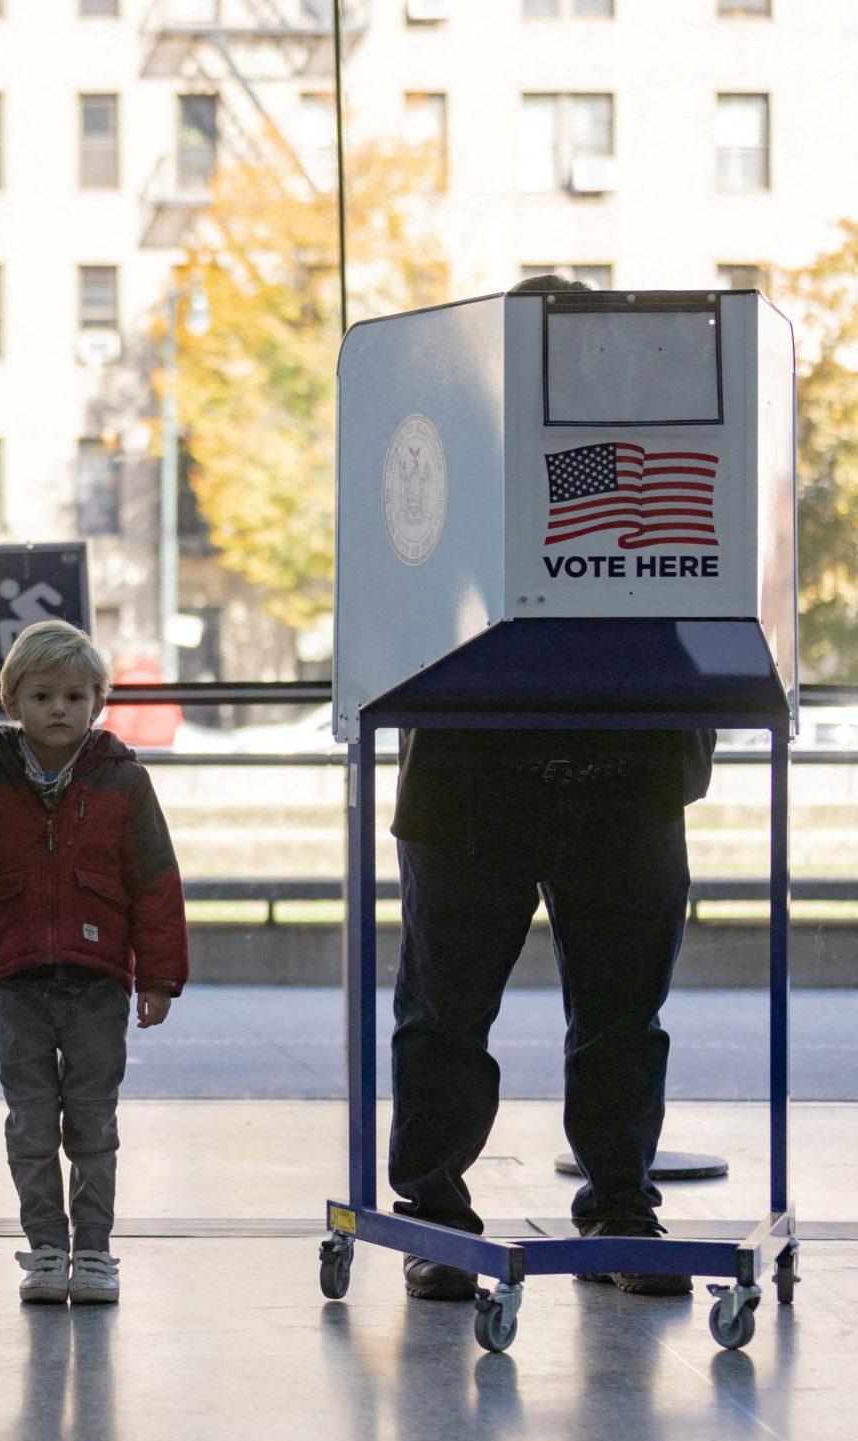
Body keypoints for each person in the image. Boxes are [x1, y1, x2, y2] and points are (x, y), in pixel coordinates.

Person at [388, 273, 715, 1303]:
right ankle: (455, 1208)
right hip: (495, 771)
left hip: (586, 771)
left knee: (607, 1013)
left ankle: (604, 1201)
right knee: (463, 1011)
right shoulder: (461, 460)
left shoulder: (645, 459)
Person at [0, 620, 189, 1305]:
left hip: (97, 980)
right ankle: (44, 1246)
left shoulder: (124, 783)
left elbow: (155, 881)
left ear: (98, 701)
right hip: (16, 981)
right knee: (31, 1119)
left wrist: (158, 974)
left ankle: (92, 1247)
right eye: (42, 696)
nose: (58, 709)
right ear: (13, 702)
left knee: (93, 1119)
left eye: (73, 695)